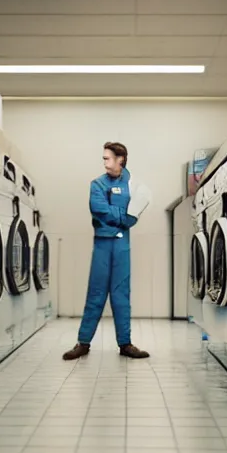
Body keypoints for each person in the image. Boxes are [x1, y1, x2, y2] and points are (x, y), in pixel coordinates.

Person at [63, 142, 151, 360]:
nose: (104, 162)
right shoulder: (97, 184)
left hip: (121, 245)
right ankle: (83, 343)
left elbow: (134, 214)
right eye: (103, 158)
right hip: (103, 244)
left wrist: (121, 218)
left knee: (122, 295)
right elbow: (99, 208)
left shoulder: (133, 184)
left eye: (107, 158)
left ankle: (125, 344)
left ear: (120, 159)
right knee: (96, 293)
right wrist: (123, 216)